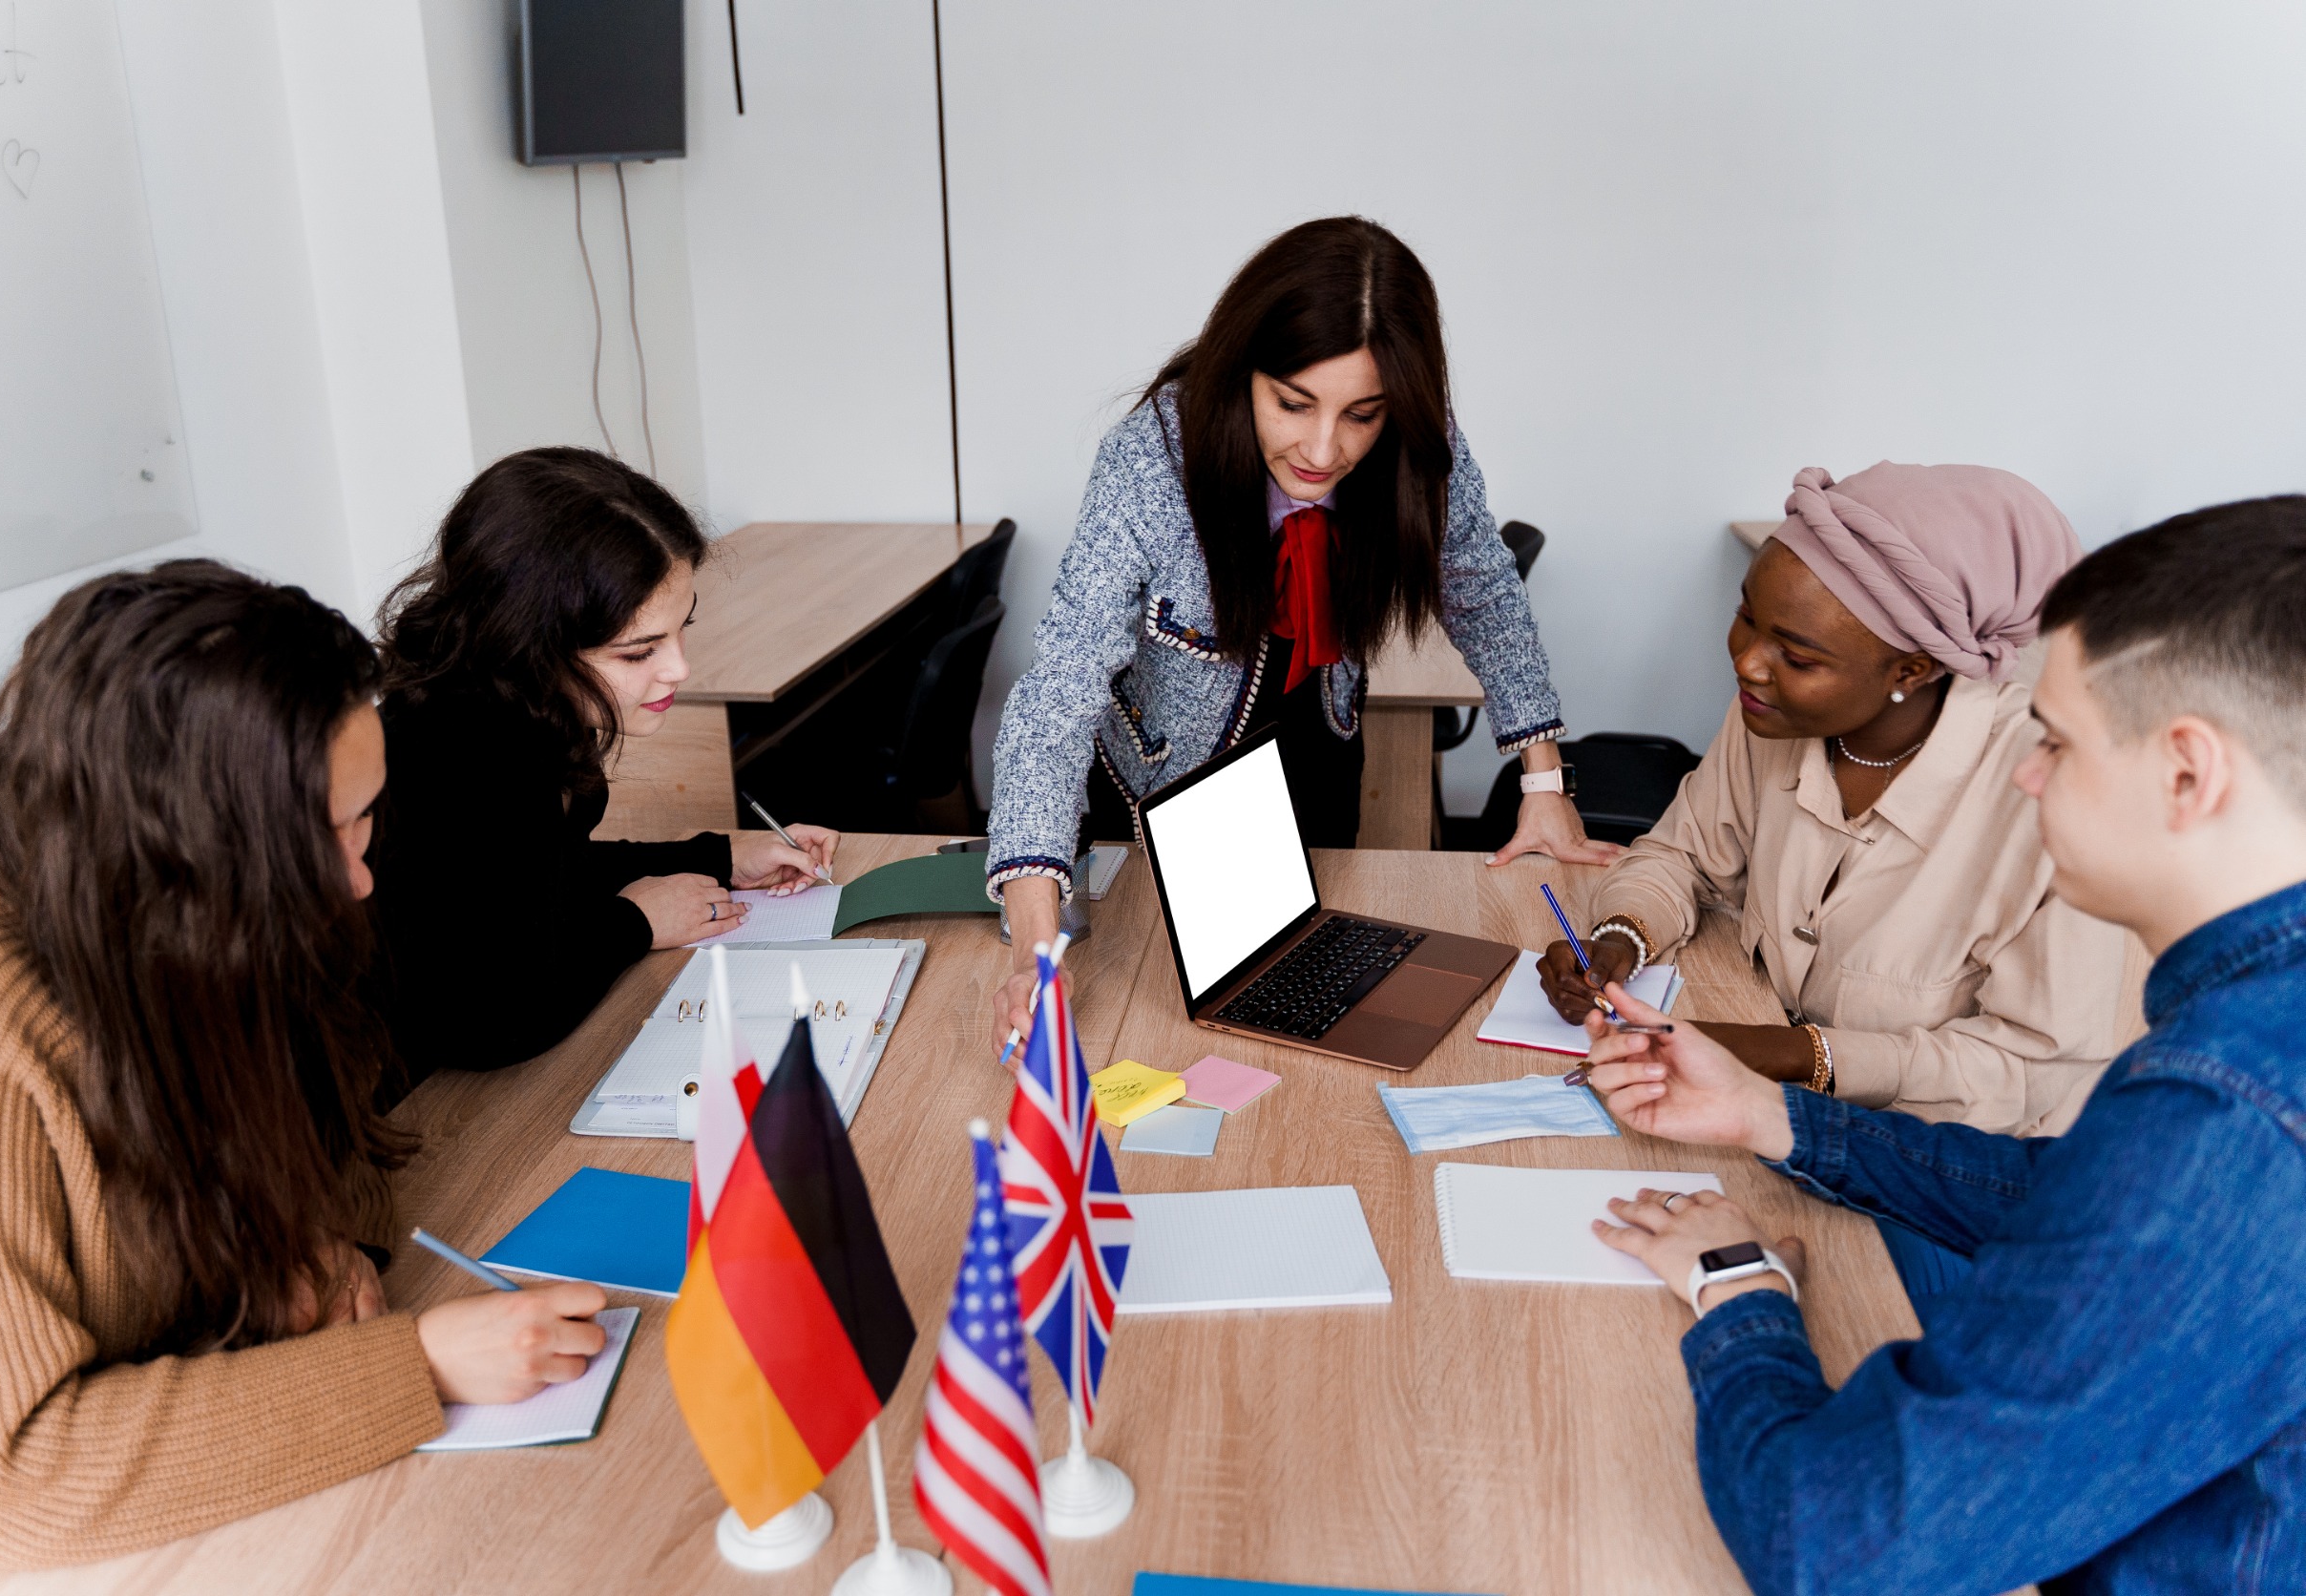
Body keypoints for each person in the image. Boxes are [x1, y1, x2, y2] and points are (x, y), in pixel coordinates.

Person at [1580, 496, 2306, 1594]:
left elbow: (1833, 1544)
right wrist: (1773, 1115)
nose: (2025, 772)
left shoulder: (2223, 1118)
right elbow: (2057, 1191)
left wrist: (1737, 1288)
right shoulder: (2240, 1041)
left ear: (2189, 774)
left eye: (2055, 742)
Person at [0, 561, 610, 1567]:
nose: (359, 879)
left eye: (365, 816)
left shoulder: (230, 925)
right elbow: (6, 1477)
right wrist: (415, 1365)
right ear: (169, 845)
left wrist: (322, 1251)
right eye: (316, 838)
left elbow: (350, 1152)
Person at [986, 216, 1608, 1045]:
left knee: (1310, 1005)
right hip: (1159, 790)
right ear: (1241, 369)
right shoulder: (1151, 462)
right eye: (1293, 403)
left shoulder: (1419, 445)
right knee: (1152, 1017)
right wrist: (1035, 947)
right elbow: (1058, 690)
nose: (1324, 449)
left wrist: (1543, 783)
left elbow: (1485, 593)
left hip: (1312, 745)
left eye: (1362, 415)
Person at [1540, 462, 2128, 1136]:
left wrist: (1796, 1057)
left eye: (1797, 656)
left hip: (1948, 1164)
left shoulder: (2050, 800)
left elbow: (2029, 1071)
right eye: (1746, 617)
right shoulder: (1774, 710)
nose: (1748, 662)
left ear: (1912, 670)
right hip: (1764, 1116)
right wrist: (1619, 939)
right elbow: (1683, 855)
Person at [367, 448, 834, 1083]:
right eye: (640, 651)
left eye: (680, 630)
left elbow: (537, 875)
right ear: (529, 642)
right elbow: (498, 1018)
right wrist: (636, 924)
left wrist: (719, 857)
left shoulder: (529, 706)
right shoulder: (455, 757)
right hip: (427, 1096)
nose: (679, 668)